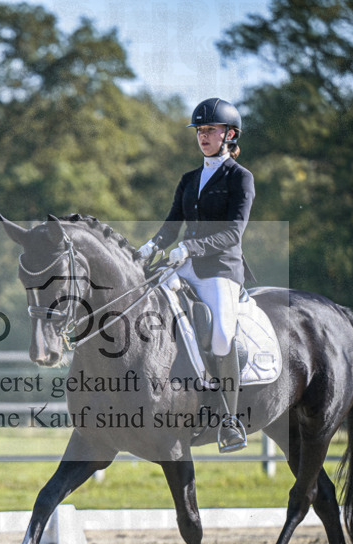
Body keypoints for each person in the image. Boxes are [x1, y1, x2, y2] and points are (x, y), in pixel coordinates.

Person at [136, 97, 255, 452]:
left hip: (221, 270)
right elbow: (173, 225)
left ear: (229, 134)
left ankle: (230, 420)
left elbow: (234, 232)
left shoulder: (240, 178)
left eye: (210, 130)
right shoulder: (189, 179)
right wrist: (149, 246)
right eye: (200, 131)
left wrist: (192, 248)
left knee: (220, 336)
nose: (203, 136)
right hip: (183, 265)